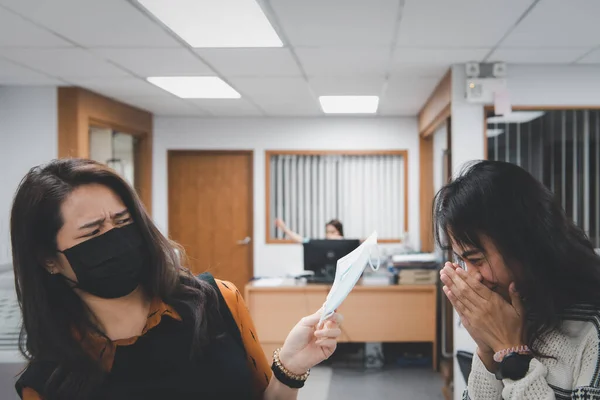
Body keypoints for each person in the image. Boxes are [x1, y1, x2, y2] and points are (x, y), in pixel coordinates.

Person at [11, 159, 342, 400]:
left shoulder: (216, 300)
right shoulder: (48, 380)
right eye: (93, 232)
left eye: (123, 220)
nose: (115, 237)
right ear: (49, 260)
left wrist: (290, 367)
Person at [434, 160, 600, 399]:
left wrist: (511, 353)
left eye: (477, 259)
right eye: (462, 261)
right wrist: (487, 351)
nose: (472, 277)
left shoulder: (591, 330)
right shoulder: (513, 310)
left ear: (523, 246)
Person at [275, 218, 344, 243]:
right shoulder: (320, 244)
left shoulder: (346, 246)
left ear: (339, 232)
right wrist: (284, 228)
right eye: (327, 232)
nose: (329, 235)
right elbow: (301, 239)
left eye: (332, 232)